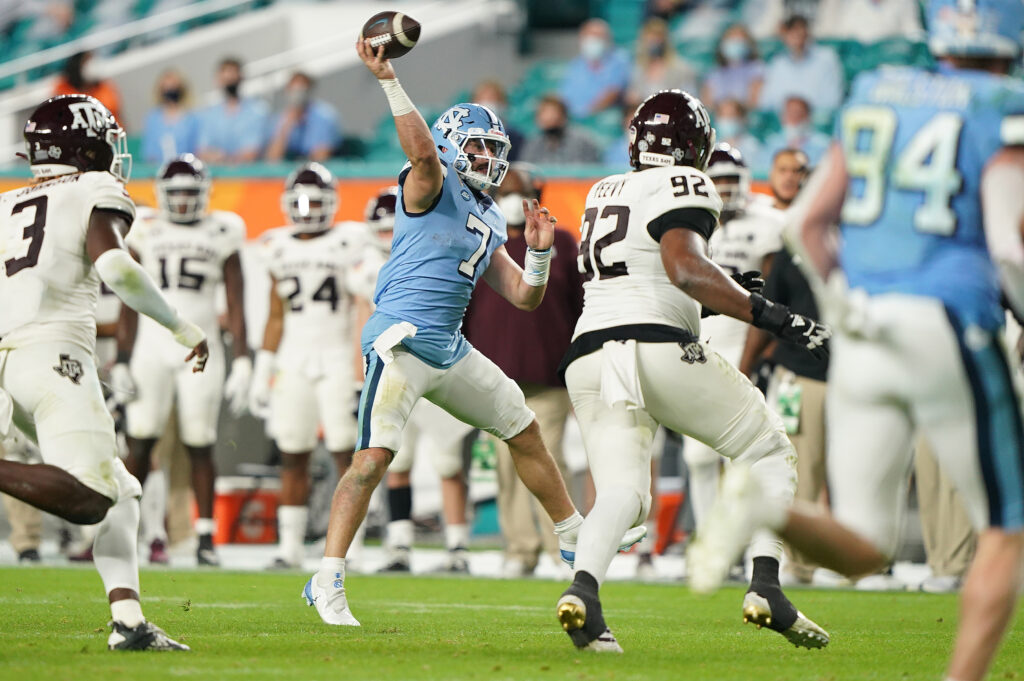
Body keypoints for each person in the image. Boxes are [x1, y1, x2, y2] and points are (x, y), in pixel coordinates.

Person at [687, 3, 1024, 680]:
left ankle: (761, 505)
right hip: (949, 318)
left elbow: (807, 222)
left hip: (865, 331)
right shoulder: (1003, 104)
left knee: (866, 546)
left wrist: (848, 302)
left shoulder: (876, 91)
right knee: (1007, 527)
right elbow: (1009, 247)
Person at [303, 38, 642, 627]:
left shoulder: (487, 213)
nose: (491, 157)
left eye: (496, 148)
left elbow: (523, 297)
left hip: (449, 346)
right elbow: (423, 155)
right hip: (402, 339)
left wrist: (536, 255)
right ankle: (327, 576)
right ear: (450, 145)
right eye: (481, 145)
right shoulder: (430, 183)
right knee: (372, 459)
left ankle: (570, 536)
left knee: (523, 427)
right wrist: (389, 79)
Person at [555, 89, 830, 653]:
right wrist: (776, 317)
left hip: (588, 356)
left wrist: (717, 298)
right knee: (769, 450)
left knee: (624, 492)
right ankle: (766, 586)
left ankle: (584, 592)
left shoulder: (602, 189)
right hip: (654, 346)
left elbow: (644, 281)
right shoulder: (686, 181)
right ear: (694, 145)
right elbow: (684, 268)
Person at [0, 94, 206, 650]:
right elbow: (116, 265)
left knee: (123, 489)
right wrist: (182, 327)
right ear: (84, 145)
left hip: (9, 360)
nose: (111, 151)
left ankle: (130, 623)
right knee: (92, 494)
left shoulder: (6, 202)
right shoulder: (95, 188)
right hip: (52, 351)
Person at [118, 154, 250, 567]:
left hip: (201, 345)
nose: (181, 202)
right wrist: (122, 357)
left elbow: (236, 299)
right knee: (139, 440)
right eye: (175, 194)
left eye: (190, 194)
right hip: (152, 346)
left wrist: (244, 358)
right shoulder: (145, 228)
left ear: (204, 194)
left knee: (200, 441)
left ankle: (205, 537)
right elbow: (129, 295)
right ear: (161, 195)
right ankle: (122, 530)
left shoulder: (223, 230)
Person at [463, 163, 584, 577]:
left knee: (549, 461)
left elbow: (580, 307)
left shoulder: (563, 244)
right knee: (505, 467)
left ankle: (559, 548)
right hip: (493, 376)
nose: (511, 197)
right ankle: (520, 548)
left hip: (548, 376)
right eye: (505, 190)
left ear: (538, 193)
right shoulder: (482, 242)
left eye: (520, 189)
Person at [349, 187, 478, 575]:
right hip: (393, 369)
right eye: (384, 230)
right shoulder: (364, 268)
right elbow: (360, 324)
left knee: (449, 461)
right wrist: (360, 379)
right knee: (396, 457)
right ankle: (399, 543)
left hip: (437, 364)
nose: (390, 237)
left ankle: (457, 546)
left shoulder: (437, 253)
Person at [248, 162, 362, 568]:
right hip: (294, 357)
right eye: (301, 200)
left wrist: (359, 369)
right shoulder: (275, 245)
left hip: (336, 358)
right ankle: (290, 548)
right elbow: (275, 315)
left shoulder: (351, 242)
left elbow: (361, 307)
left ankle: (352, 548)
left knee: (345, 453)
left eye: (316, 200)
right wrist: (263, 367)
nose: (308, 207)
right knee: (292, 451)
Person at [680, 143, 786, 544]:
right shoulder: (686, 218)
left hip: (748, 350)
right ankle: (712, 542)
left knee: (749, 457)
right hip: (699, 350)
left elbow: (777, 296)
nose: (725, 189)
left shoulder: (770, 220)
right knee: (699, 455)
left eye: (731, 180)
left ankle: (751, 545)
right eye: (717, 179)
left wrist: (758, 357)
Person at [758, 15, 843, 114]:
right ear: (785, 36)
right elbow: (766, 102)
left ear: (807, 33)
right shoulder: (778, 63)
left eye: (800, 31)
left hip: (816, 122)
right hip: (783, 123)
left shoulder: (826, 58)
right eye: (792, 32)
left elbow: (832, 101)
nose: (797, 36)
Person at [197, 57, 269, 164]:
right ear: (219, 79)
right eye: (226, 77)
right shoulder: (210, 114)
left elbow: (252, 151)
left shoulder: (257, 111)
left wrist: (227, 159)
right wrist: (218, 157)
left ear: (241, 78)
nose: (229, 81)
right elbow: (202, 150)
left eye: (233, 77)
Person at [559, 19, 631, 119]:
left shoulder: (619, 59)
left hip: (601, 117)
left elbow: (613, 92)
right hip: (573, 117)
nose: (592, 40)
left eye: (597, 37)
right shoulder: (576, 64)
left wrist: (588, 115)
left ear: (607, 39)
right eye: (589, 36)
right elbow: (564, 95)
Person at [265, 72, 342, 162]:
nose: (297, 95)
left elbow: (321, 157)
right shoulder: (280, 118)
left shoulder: (325, 117)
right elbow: (272, 158)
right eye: (293, 90)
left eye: (301, 91)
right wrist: (287, 125)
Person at [626, 18, 698, 107]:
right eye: (650, 37)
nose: (654, 41)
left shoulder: (681, 69)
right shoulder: (637, 68)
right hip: (645, 114)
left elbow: (689, 98)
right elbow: (631, 96)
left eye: (658, 37)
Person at [520, 95, 603, 166]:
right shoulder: (533, 144)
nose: (549, 117)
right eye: (543, 113)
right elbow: (527, 170)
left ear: (563, 116)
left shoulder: (582, 141)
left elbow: (592, 172)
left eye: (553, 113)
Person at [140, 68, 200, 164]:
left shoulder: (191, 118)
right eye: (167, 87)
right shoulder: (153, 119)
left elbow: (197, 150)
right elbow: (149, 153)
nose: (170, 91)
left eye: (174, 86)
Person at [758, 96, 831, 174]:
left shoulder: (823, 145)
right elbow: (762, 171)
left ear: (808, 117)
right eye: (790, 113)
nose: (794, 118)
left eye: (799, 113)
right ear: (782, 117)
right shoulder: (771, 144)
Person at [701, 24, 764, 112]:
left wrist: (734, 111)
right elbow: (707, 104)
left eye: (739, 40)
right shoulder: (714, 72)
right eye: (732, 39)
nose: (735, 43)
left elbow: (754, 102)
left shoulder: (756, 68)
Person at [53, 51, 121, 122]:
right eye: (87, 61)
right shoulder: (64, 92)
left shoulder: (104, 87)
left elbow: (118, 114)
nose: (93, 64)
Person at [712, 98, 763, 165]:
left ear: (740, 119)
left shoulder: (752, 146)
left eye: (730, 115)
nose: (726, 120)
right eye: (723, 115)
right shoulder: (712, 145)